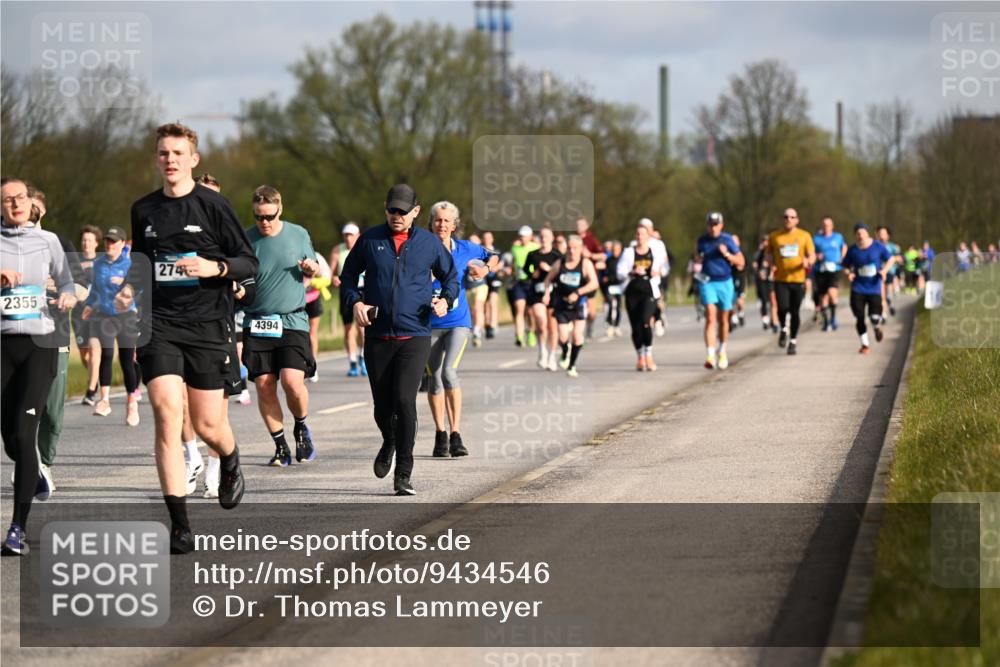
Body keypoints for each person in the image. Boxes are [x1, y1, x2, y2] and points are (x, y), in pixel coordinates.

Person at [130, 123, 258, 554]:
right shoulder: (144, 209)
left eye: (178, 153)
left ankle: (231, 457)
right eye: (163, 153)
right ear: (156, 158)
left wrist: (214, 269)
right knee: (167, 414)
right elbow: (141, 263)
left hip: (206, 327)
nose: (170, 160)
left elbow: (247, 262)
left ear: (193, 159)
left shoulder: (213, 206)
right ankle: (180, 525)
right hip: (160, 326)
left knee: (207, 425)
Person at [340, 184, 458, 496]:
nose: (396, 216)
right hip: (378, 335)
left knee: (405, 401)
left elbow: (451, 277)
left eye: (403, 211)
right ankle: (389, 439)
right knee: (382, 406)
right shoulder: (370, 239)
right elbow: (348, 276)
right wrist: (355, 302)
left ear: (416, 212)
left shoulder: (429, 244)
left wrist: (446, 299)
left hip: (415, 335)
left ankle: (403, 472)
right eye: (392, 210)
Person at [1, 176, 78, 555]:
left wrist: (65, 297)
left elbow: (68, 283)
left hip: (39, 344)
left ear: (32, 202)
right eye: (6, 199)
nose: (14, 204)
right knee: (11, 439)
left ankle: (18, 529)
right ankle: (33, 471)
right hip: (2, 345)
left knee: (25, 430)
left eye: (20, 198)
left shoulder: (48, 242)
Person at [242, 185, 319, 467]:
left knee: (291, 382)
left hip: (292, 319)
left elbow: (314, 267)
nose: (264, 223)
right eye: (259, 217)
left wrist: (311, 269)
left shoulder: (298, 234)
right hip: (257, 321)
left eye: (270, 216)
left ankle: (301, 426)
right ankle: (280, 446)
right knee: (264, 384)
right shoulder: (246, 239)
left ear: (280, 209)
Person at [425, 201, 498, 457]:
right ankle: (440, 434)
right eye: (437, 220)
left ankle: (456, 434)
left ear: (454, 225)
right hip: (428, 325)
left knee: (448, 372)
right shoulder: (420, 248)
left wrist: (485, 270)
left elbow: (493, 256)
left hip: (458, 322)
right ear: (431, 223)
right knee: (432, 379)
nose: (442, 225)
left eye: (447, 221)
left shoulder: (465, 249)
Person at [28, 186, 81, 496]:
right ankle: (28, 462)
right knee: (19, 406)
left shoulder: (60, 244)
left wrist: (65, 290)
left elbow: (83, 290)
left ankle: (43, 462)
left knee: (51, 412)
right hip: (16, 335)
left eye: (32, 205)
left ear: (42, 210)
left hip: (54, 335)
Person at [81, 226, 142, 425]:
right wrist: (89, 305)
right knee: (106, 355)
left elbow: (140, 288)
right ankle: (104, 400)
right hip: (105, 315)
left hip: (126, 316)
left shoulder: (130, 264)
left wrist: (126, 286)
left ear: (122, 244)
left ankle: (131, 404)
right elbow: (95, 290)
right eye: (108, 240)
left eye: (114, 241)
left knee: (127, 361)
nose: (109, 244)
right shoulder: (98, 264)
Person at [542, 234, 599, 378]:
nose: (572, 251)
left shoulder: (585, 264)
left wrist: (578, 292)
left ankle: (572, 365)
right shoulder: (560, 263)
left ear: (581, 248)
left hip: (578, 303)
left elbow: (594, 283)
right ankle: (565, 352)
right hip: (561, 303)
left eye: (575, 248)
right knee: (562, 336)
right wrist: (547, 294)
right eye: (569, 248)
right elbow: (548, 279)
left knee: (577, 335)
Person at [695, 212, 745, 370]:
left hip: (725, 282)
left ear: (721, 225)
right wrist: (697, 260)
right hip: (707, 281)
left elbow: (741, 262)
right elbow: (697, 257)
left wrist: (727, 254)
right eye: (710, 224)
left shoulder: (728, 240)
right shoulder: (702, 240)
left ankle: (722, 350)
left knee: (723, 319)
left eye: (716, 224)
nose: (713, 227)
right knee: (710, 317)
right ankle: (710, 354)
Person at [617, 224, 667, 371]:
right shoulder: (628, 253)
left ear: (648, 236)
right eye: (638, 234)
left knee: (646, 322)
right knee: (636, 327)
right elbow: (620, 272)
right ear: (635, 236)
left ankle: (649, 355)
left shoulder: (654, 252)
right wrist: (632, 271)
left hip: (649, 291)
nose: (640, 237)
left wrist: (658, 271)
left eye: (643, 234)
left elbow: (664, 268)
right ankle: (640, 356)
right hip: (632, 292)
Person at [767, 208, 815, 355]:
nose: (789, 219)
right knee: (782, 308)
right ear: (783, 219)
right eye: (786, 217)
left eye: (792, 217)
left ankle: (792, 341)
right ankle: (783, 329)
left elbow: (811, 254)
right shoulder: (775, 236)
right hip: (781, 279)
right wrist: (771, 265)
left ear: (797, 220)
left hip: (798, 279)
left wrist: (808, 262)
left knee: (795, 311)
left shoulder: (804, 235)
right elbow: (768, 253)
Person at [843, 223, 896, 354]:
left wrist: (884, 271)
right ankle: (865, 344)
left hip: (874, 287)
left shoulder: (878, 247)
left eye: (863, 233)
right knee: (859, 317)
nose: (860, 235)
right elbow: (844, 265)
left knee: (874, 317)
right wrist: (849, 273)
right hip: (858, 288)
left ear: (868, 233)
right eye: (858, 233)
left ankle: (876, 327)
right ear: (855, 235)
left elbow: (891, 259)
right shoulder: (852, 250)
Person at [330, 223, 366, 377]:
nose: (348, 238)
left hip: (363, 291)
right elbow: (329, 274)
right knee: (348, 329)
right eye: (346, 235)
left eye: (351, 235)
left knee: (362, 329)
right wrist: (334, 279)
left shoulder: (364, 248)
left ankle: (362, 358)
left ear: (358, 235)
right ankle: (352, 362)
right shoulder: (338, 250)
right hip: (346, 292)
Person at [524, 227, 562, 370]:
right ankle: (542, 352)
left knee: (552, 327)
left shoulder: (557, 255)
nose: (544, 239)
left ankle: (552, 356)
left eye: (547, 236)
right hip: (537, 291)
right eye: (542, 236)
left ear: (552, 239)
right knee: (541, 322)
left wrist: (550, 269)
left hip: (553, 292)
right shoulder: (533, 254)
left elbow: (562, 273)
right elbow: (526, 270)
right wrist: (533, 273)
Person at [75, 225, 101, 404]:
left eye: (90, 240)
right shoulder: (74, 261)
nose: (86, 243)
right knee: (84, 355)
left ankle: (91, 391)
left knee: (94, 348)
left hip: (98, 312)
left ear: (96, 243)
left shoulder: (103, 261)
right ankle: (95, 376)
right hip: (78, 312)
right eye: (84, 240)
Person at [812, 216, 847, 332]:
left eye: (828, 224)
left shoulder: (838, 237)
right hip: (820, 269)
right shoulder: (816, 239)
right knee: (823, 297)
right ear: (822, 226)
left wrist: (842, 258)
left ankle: (833, 318)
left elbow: (844, 247)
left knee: (832, 293)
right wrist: (817, 256)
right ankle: (826, 321)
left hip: (834, 268)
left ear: (832, 226)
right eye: (824, 225)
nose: (826, 227)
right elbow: (811, 253)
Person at [508, 226, 539, 348]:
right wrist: (511, 271)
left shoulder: (535, 247)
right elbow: (513, 263)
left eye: (525, 236)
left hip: (532, 282)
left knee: (531, 312)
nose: (522, 238)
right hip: (519, 282)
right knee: (519, 310)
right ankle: (519, 336)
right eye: (521, 236)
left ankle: (531, 332)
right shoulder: (515, 248)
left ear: (530, 236)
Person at [576, 217, 606, 339]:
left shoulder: (591, 239)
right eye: (577, 224)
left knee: (591, 311)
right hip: (575, 276)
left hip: (589, 277)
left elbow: (602, 256)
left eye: (581, 224)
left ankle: (589, 326)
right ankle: (576, 331)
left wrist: (590, 255)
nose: (579, 227)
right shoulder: (573, 240)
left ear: (587, 226)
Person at [875, 226, 901, 317]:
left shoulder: (892, 247)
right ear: (877, 235)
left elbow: (899, 258)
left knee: (887, 295)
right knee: (881, 295)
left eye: (883, 234)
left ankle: (890, 303)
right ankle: (883, 314)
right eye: (880, 234)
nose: (881, 236)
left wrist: (896, 258)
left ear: (887, 236)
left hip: (890, 272)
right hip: (878, 272)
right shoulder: (874, 246)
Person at [752, 236, 777, 332]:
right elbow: (754, 264)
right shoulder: (759, 253)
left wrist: (773, 270)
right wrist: (758, 272)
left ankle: (774, 321)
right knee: (764, 300)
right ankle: (765, 319)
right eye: (764, 241)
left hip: (772, 280)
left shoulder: (774, 252)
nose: (766, 243)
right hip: (762, 280)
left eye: (767, 241)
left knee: (773, 301)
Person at [481, 231, 503, 340]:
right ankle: (487, 324)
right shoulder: (480, 251)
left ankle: (493, 325)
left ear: (492, 239)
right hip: (483, 280)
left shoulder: (497, 251)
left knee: (493, 301)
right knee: (485, 304)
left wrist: (494, 267)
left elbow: (501, 263)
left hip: (494, 278)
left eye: (489, 237)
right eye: (485, 238)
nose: (487, 239)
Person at [603, 240, 624, 337]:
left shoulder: (623, 259)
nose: (615, 252)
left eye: (617, 250)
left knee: (618, 306)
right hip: (610, 286)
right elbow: (604, 272)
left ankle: (616, 325)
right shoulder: (608, 260)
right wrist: (605, 278)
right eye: (614, 250)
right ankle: (610, 324)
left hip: (620, 286)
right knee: (611, 305)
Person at [729, 233, 747, 328]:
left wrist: (737, 263)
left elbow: (743, 265)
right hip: (730, 278)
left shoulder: (741, 253)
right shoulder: (728, 253)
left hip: (740, 278)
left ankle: (741, 313)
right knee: (731, 300)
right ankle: (734, 317)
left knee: (740, 301)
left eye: (735, 241)